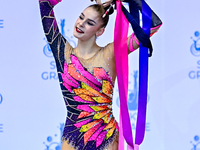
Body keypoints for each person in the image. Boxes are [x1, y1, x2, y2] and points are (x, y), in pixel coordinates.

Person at [39, 0, 161, 150]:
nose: (81, 24)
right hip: (72, 136)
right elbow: (45, 4)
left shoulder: (111, 53)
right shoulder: (62, 52)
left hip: (105, 136)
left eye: (90, 22)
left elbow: (154, 25)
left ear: (100, 31)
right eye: (81, 17)